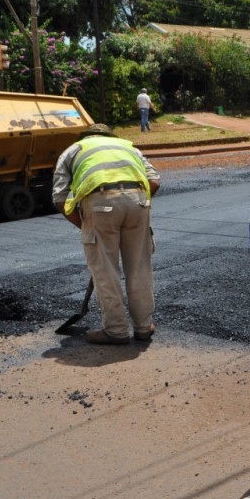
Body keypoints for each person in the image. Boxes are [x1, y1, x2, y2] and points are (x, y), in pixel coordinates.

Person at [52, 123, 161, 345]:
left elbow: (59, 198)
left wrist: (85, 225)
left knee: (105, 269)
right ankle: (143, 327)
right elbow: (154, 181)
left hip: (101, 203)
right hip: (138, 200)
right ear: (108, 135)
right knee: (140, 266)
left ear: (86, 136)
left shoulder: (74, 150)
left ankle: (116, 330)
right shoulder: (129, 146)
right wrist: (134, 204)